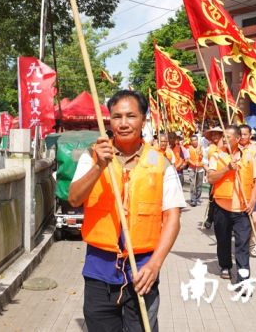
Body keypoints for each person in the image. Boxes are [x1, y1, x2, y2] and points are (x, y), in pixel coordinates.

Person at [68, 90, 186, 332]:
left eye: (131, 116)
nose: (123, 123)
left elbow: (172, 219)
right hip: (99, 269)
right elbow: (74, 198)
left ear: (143, 120)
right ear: (108, 120)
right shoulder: (92, 156)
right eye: (116, 116)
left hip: (142, 270)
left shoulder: (161, 163)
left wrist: (155, 265)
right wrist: (100, 166)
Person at [208, 126, 256, 287]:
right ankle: (225, 265)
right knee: (223, 240)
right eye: (223, 136)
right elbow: (210, 178)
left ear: (238, 139)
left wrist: (252, 202)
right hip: (222, 206)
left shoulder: (249, 157)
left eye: (228, 136)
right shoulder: (217, 156)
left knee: (242, 245)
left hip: (242, 208)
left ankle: (243, 279)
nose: (224, 139)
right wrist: (227, 169)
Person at [239, 124, 256, 258]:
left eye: (245, 134)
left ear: (250, 135)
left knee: (254, 219)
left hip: (252, 187)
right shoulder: (232, 149)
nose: (242, 137)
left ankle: (250, 239)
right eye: (240, 134)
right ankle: (242, 241)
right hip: (236, 189)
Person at [202, 127, 223, 230]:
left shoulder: (228, 147)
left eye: (217, 134)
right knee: (212, 200)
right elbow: (204, 163)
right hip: (214, 178)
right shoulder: (208, 148)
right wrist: (211, 172)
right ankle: (210, 218)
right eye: (213, 135)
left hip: (226, 178)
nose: (214, 137)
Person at [186, 135, 205, 207]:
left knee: (199, 185)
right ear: (191, 141)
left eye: (195, 140)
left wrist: (201, 154)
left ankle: (198, 199)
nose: (194, 141)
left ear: (197, 140)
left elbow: (206, 158)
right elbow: (187, 159)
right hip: (192, 168)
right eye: (192, 140)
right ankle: (193, 200)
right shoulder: (189, 148)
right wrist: (194, 163)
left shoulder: (202, 148)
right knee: (192, 184)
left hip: (200, 168)